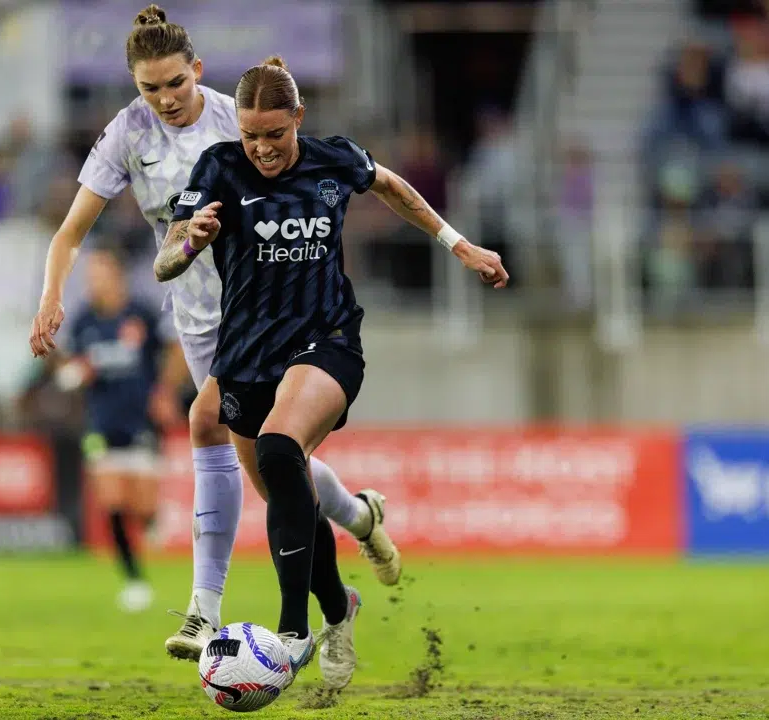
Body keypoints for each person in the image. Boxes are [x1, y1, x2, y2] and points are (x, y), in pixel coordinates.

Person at [28, 4, 402, 661]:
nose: (167, 98)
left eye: (176, 82)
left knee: (210, 425)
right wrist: (51, 296)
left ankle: (205, 613)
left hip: (265, 318)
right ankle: (359, 521)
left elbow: (310, 181)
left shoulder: (241, 118)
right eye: (151, 87)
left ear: (196, 70)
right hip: (197, 324)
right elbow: (70, 232)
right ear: (134, 86)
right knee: (279, 476)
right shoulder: (127, 134)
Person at [154, 57, 508, 689]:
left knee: (280, 449)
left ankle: (291, 638)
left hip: (327, 339)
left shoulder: (334, 159)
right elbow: (165, 264)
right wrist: (191, 240)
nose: (261, 148)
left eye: (275, 134)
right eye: (249, 134)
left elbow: (395, 188)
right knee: (290, 498)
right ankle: (339, 608)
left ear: (299, 119)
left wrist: (460, 244)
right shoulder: (217, 169)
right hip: (246, 356)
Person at [61, 249, 178, 612]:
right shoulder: (83, 321)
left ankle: (152, 519)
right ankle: (134, 580)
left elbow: (175, 350)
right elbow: (70, 363)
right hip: (101, 422)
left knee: (141, 507)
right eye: (89, 275)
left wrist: (165, 391)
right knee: (112, 502)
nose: (92, 281)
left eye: (99, 273)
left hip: (141, 421)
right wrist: (75, 373)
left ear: (117, 276)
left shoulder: (140, 313)